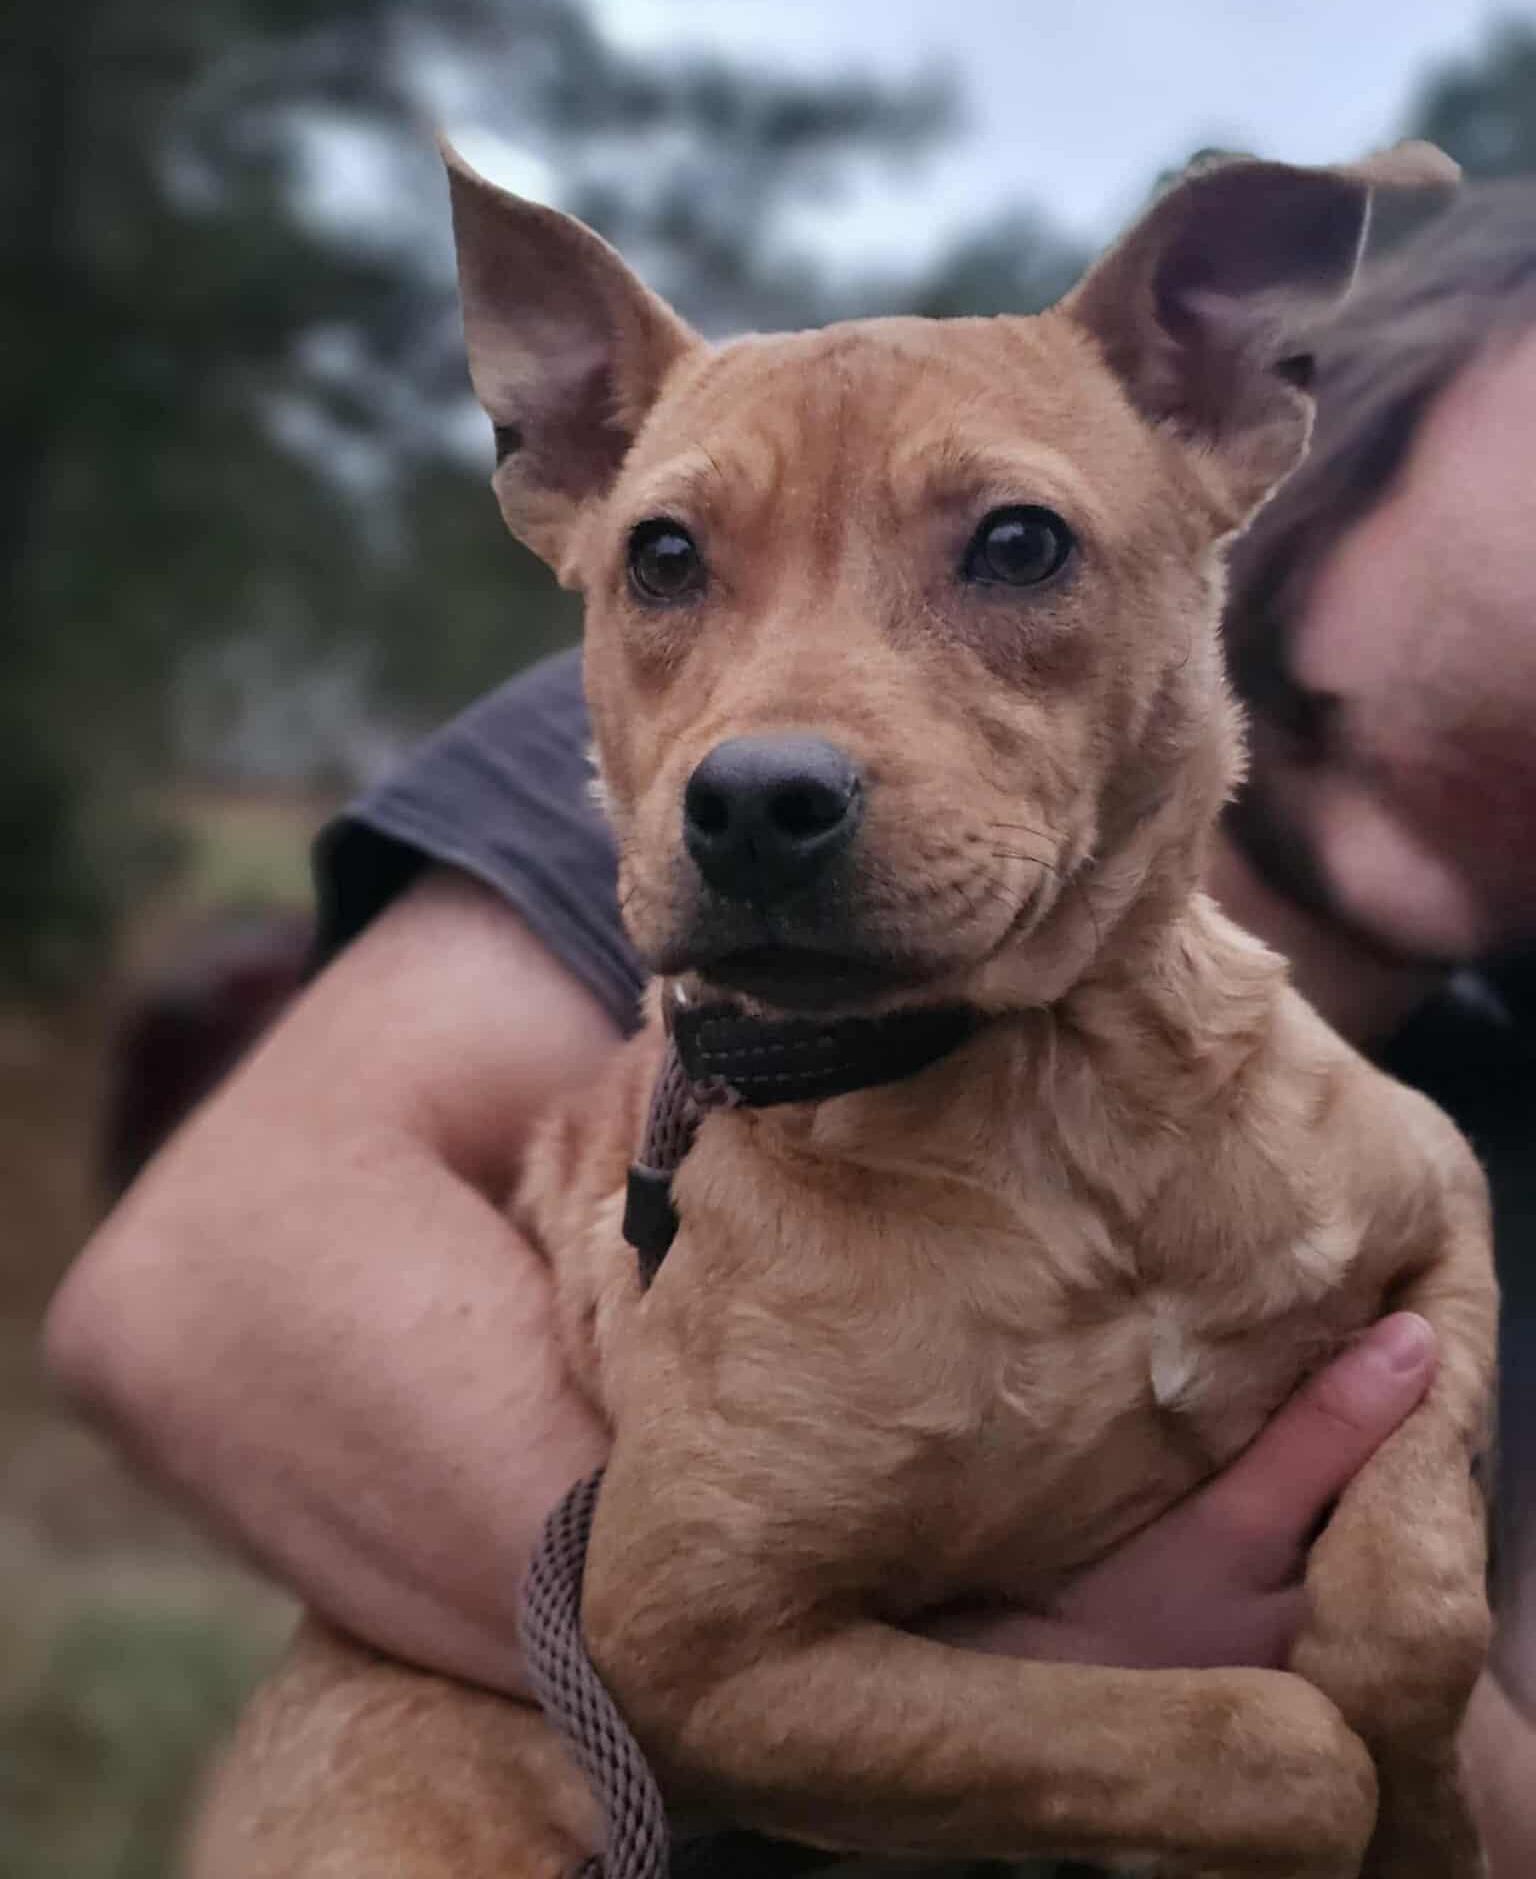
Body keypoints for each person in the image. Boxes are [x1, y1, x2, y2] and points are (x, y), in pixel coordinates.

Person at [45, 182, 1536, 1869]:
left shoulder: (1446, 1114)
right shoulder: (711, 744)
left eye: (1013, 550)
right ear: (1373, 417)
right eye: (671, 567)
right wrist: (1009, 1709)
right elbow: (197, 1292)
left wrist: (1388, 1650)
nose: (779, 735)